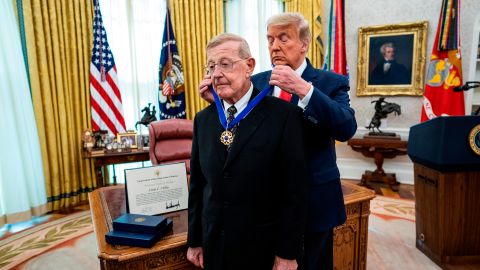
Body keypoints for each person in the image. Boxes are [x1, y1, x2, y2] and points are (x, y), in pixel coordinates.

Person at [187, 33, 308, 270]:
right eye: (211, 66)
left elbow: (294, 192)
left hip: (263, 249)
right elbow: (199, 186)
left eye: (225, 64)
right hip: (215, 247)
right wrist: (195, 240)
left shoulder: (284, 116)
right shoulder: (203, 120)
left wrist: (287, 252)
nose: (216, 74)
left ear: (249, 66)